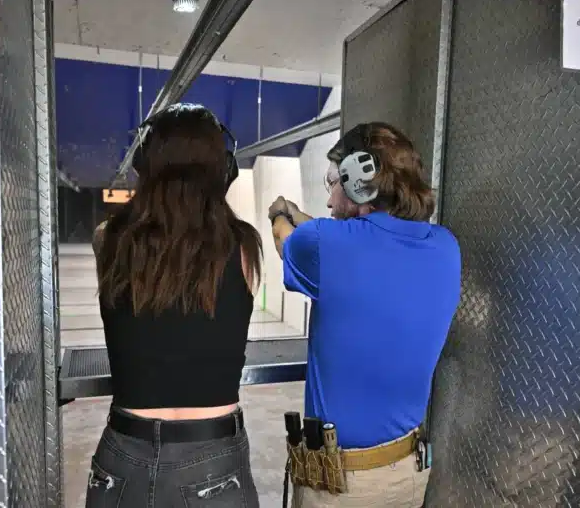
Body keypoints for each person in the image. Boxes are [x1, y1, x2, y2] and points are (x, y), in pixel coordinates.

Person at [268, 122, 461, 508]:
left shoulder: (323, 243)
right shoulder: (444, 245)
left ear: (359, 180)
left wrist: (279, 213)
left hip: (342, 487)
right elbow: (351, 241)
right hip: (407, 473)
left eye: (334, 182)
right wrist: (303, 216)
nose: (328, 200)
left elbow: (285, 239)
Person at [88, 103, 262, 508]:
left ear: (144, 167)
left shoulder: (107, 238)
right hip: (213, 456)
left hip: (124, 456)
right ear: (224, 170)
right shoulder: (244, 249)